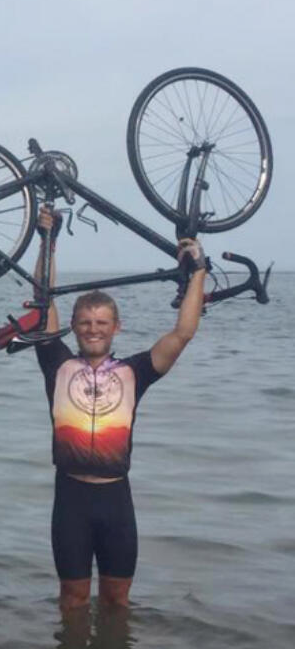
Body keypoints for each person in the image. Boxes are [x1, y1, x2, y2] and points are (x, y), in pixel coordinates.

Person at [31, 206, 206, 611]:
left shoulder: (135, 372)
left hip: (116, 502)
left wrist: (198, 272)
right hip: (70, 499)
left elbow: (183, 332)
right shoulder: (56, 363)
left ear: (116, 328)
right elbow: (43, 297)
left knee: (117, 600)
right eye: (86, 322)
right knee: (72, 601)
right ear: (73, 327)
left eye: (102, 323)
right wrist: (48, 241)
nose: (93, 329)